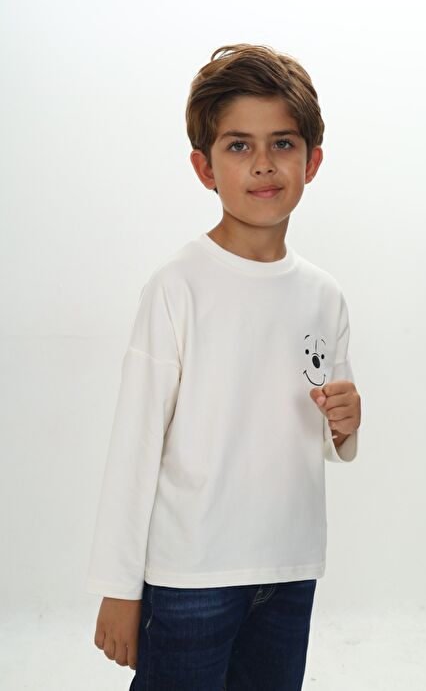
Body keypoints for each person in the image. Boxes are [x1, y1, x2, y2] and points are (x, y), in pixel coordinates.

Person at [86, 43, 362, 691]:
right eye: (239, 146)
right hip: (191, 575)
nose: (263, 164)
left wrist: (346, 424)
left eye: (282, 143)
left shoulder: (324, 296)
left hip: (290, 568)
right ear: (204, 168)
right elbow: (134, 444)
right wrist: (119, 587)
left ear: (312, 161)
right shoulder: (177, 287)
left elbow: (326, 432)